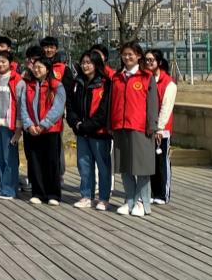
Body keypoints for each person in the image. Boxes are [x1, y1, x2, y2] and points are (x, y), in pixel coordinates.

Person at [110, 42, 158, 217]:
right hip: (120, 126)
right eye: (124, 54)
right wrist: (110, 124)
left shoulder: (146, 77)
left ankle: (141, 202)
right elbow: (111, 102)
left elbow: (152, 104)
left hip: (140, 127)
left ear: (138, 56)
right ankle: (129, 200)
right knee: (124, 166)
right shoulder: (117, 77)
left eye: (130, 54)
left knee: (142, 167)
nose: (127, 57)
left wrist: (152, 125)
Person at [67, 50, 113, 210]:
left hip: (99, 133)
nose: (85, 66)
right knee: (84, 165)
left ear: (96, 64)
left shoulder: (105, 83)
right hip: (81, 132)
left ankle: (104, 198)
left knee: (103, 166)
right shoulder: (77, 83)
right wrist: (76, 123)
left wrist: (88, 125)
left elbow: (104, 110)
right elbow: (70, 107)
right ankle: (87, 196)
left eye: (89, 63)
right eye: (83, 63)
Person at [18, 57, 66, 206]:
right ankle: (38, 192)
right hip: (32, 129)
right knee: (35, 161)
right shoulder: (29, 85)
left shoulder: (56, 85)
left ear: (48, 69)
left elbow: (58, 108)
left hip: (50, 130)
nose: (37, 70)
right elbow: (23, 107)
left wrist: (43, 124)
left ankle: (53, 194)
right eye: (35, 67)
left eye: (40, 67)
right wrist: (29, 124)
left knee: (51, 162)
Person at [0, 51, 22, 200]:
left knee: (9, 159)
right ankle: (3, 186)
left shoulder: (17, 79)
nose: (0, 64)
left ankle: (10, 189)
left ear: (10, 63)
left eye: (4, 61)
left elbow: (20, 104)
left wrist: (19, 127)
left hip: (9, 125)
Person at [146, 49, 177, 206]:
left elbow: (166, 107)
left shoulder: (168, 83)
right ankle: (153, 192)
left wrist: (159, 128)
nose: (148, 63)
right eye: (146, 60)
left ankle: (163, 194)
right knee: (150, 162)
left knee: (162, 161)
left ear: (158, 62)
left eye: (151, 60)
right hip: (148, 128)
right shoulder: (146, 79)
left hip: (162, 129)